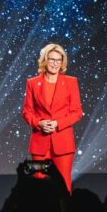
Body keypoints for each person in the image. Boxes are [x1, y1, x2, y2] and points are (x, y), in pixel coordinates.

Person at [22, 42, 83, 192]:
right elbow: (27, 112)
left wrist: (57, 123)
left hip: (63, 143)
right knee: (38, 183)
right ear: (44, 60)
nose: (55, 63)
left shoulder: (70, 82)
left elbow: (77, 112)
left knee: (63, 183)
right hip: (40, 144)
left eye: (58, 60)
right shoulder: (32, 83)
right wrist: (39, 123)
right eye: (51, 59)